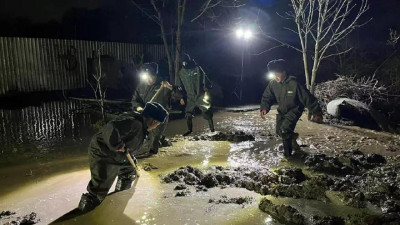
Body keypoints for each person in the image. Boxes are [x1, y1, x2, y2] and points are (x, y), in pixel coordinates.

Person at [78, 102, 168, 212]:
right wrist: (117, 145)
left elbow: (129, 139)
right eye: (157, 124)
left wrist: (128, 152)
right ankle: (83, 214)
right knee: (98, 190)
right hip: (103, 153)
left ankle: (119, 198)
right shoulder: (135, 123)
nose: (156, 126)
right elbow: (112, 128)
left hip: (120, 155)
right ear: (154, 121)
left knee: (129, 171)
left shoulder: (140, 122)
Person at [260, 59, 323, 157]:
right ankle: (292, 137)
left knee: (285, 130)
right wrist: (264, 108)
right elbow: (267, 96)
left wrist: (317, 112)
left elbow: (307, 98)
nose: (276, 77)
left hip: (295, 109)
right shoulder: (273, 84)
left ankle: (288, 156)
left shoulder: (294, 83)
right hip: (282, 110)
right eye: (274, 74)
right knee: (279, 131)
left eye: (278, 74)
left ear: (284, 72)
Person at [131, 62, 179, 155]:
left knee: (154, 137)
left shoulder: (163, 85)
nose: (148, 80)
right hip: (145, 115)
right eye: (146, 77)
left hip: (158, 117)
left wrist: (170, 87)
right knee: (141, 135)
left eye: (151, 77)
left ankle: (151, 157)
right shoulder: (141, 86)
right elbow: (134, 100)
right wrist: (138, 107)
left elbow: (179, 95)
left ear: (156, 76)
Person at [176, 53, 215, 136]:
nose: (184, 64)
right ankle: (189, 130)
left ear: (188, 61)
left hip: (200, 94)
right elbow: (179, 86)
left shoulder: (197, 69)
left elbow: (204, 79)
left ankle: (212, 130)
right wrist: (181, 97)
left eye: (185, 62)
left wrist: (206, 90)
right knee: (188, 114)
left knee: (206, 111)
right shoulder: (180, 73)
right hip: (190, 97)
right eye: (182, 62)